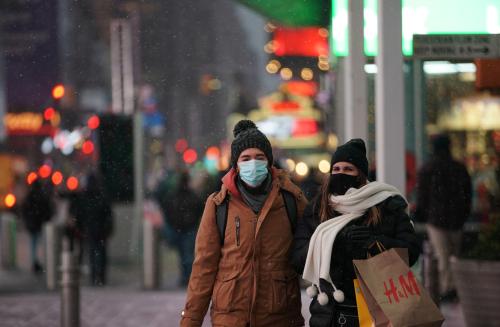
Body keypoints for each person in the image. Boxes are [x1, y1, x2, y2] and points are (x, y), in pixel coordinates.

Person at [180, 120, 308, 327]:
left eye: (259, 157)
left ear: (269, 161)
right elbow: (204, 267)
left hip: (279, 317)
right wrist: (191, 320)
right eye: (245, 158)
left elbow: (311, 250)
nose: (253, 163)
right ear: (236, 165)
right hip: (230, 317)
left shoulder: (291, 200)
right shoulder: (219, 205)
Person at [291, 139, 420, 327]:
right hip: (329, 314)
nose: (341, 174)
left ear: (361, 175)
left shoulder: (386, 205)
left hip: (379, 311)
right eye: (336, 169)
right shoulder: (317, 209)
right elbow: (298, 260)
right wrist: (333, 243)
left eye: (348, 169)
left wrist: (375, 242)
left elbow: (411, 251)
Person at [414, 134, 472, 302]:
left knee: (440, 256)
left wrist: (423, 215)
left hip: (436, 220)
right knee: (450, 256)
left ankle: (441, 292)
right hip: (456, 220)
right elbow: (467, 195)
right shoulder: (459, 168)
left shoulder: (428, 168)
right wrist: (463, 215)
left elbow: (422, 196)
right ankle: (446, 290)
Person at [160, 171, 204, 286]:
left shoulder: (173, 196)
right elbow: (199, 210)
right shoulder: (192, 196)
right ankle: (187, 278)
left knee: (184, 255)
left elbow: (167, 210)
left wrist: (173, 223)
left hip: (180, 229)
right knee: (187, 255)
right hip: (188, 229)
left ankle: (186, 278)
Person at [80, 173, 113, 286]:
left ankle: (94, 276)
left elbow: (82, 213)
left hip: (90, 230)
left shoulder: (85, 196)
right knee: (102, 253)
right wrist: (108, 228)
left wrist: (82, 227)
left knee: (92, 253)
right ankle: (101, 277)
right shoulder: (102, 195)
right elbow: (108, 213)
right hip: (101, 230)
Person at [22, 179, 54, 273]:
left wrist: (27, 220)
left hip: (32, 224)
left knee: (34, 243)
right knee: (40, 243)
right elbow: (47, 209)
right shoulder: (42, 196)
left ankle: (34, 261)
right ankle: (39, 262)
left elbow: (24, 209)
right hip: (39, 224)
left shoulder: (29, 196)